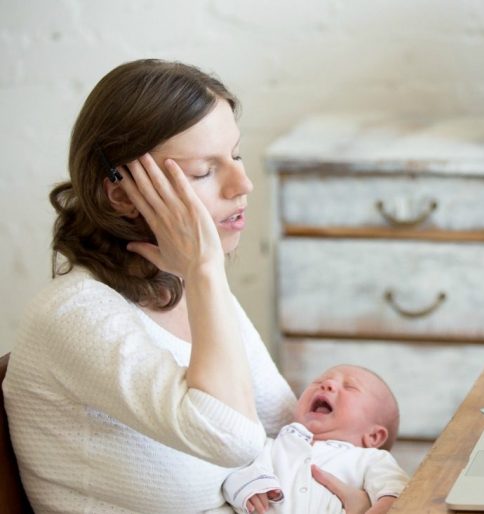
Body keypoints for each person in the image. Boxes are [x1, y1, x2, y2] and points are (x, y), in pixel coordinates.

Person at [2, 59, 373, 514]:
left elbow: (284, 429)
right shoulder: (74, 315)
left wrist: (368, 492)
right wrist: (205, 272)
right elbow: (235, 440)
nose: (243, 183)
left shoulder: (182, 288)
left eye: (234, 155)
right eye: (203, 171)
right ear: (120, 194)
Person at [222, 365, 408, 514]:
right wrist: (247, 489)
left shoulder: (370, 459)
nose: (327, 384)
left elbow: (397, 491)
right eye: (319, 381)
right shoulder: (274, 446)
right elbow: (235, 474)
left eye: (349, 387)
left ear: (374, 436)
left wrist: (384, 506)